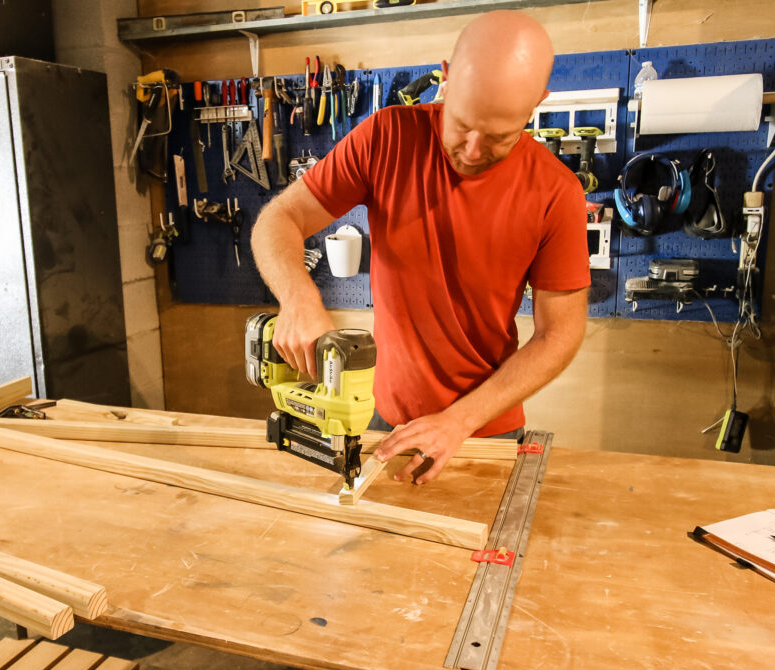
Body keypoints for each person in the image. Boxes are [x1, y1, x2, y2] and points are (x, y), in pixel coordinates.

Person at [250, 10, 590, 484]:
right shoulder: (386, 137)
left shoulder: (557, 193)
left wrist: (458, 421)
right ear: (445, 80)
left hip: (481, 431)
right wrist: (299, 298)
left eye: (499, 136)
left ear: (537, 103)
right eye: (462, 125)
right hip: (378, 415)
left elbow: (561, 335)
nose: (472, 151)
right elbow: (278, 220)